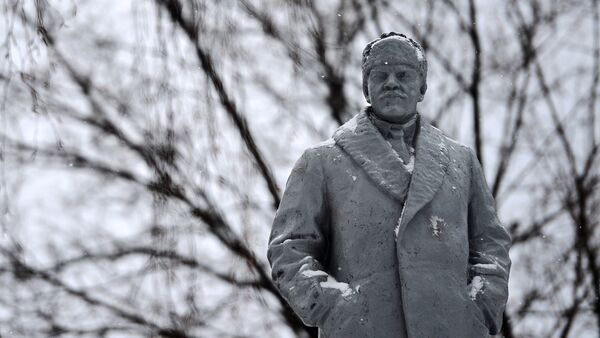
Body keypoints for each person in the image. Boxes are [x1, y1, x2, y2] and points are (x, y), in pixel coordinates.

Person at [267, 32, 511, 338]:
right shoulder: (321, 162)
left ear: (422, 87)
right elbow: (289, 249)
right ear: (366, 89)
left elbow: (491, 244)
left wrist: (481, 307)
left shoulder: (462, 162)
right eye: (380, 74)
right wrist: (335, 309)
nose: (392, 82)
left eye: (403, 74)